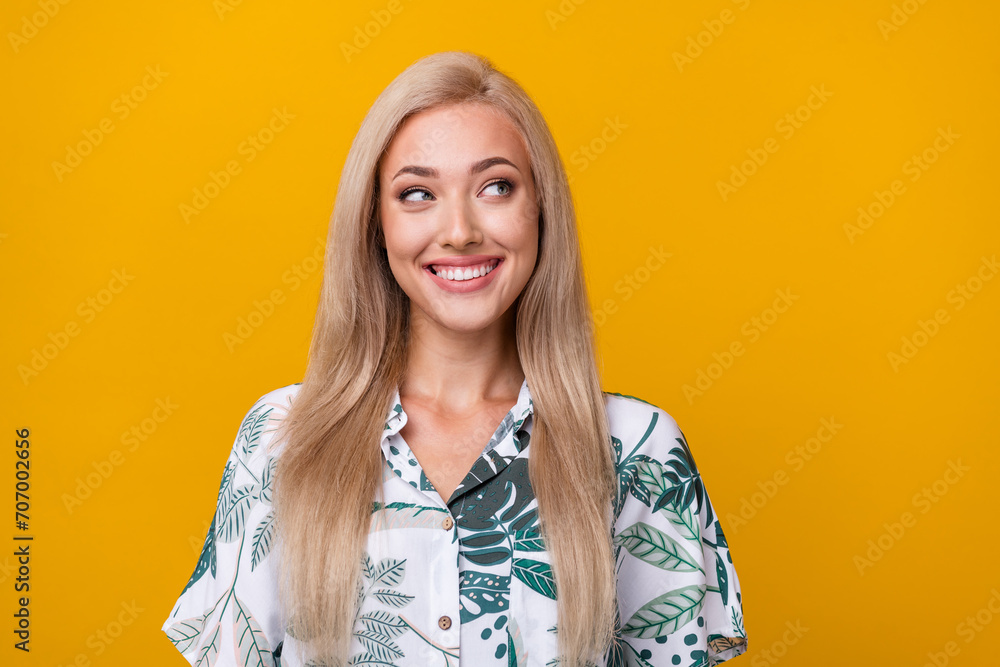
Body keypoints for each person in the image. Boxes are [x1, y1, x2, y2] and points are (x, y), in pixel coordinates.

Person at [161, 51, 748, 667]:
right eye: (418, 194)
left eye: (496, 186)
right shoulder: (282, 440)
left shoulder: (636, 449)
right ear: (375, 226)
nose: (460, 230)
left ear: (541, 212)